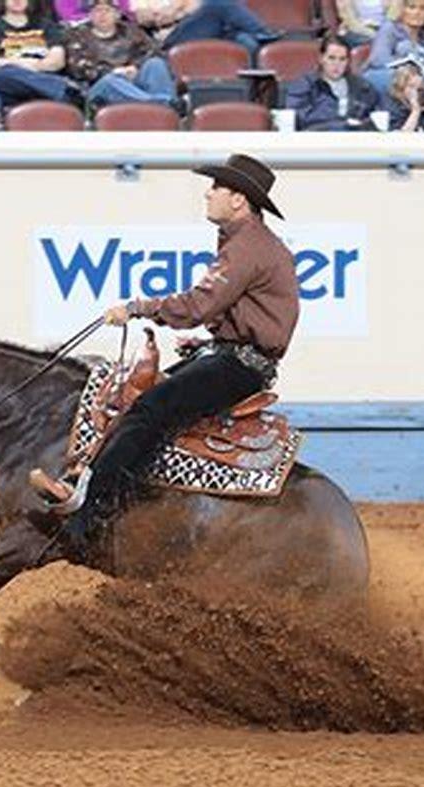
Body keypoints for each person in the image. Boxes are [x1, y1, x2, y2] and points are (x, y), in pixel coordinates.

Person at [32, 153, 300, 559]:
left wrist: (139, 308)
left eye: (216, 188)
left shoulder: (247, 247)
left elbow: (197, 305)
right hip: (235, 357)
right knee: (143, 397)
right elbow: (228, 311)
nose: (208, 194)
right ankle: (107, 487)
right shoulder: (249, 242)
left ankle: (93, 514)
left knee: (149, 408)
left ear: (239, 200)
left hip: (239, 366)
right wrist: (213, 342)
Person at [63, 0, 177, 109]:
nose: (102, 15)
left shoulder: (131, 30)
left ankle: (164, 105)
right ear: (90, 15)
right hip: (101, 86)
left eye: (107, 10)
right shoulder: (77, 35)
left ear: (117, 14)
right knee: (110, 81)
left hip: (133, 80)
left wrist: (135, 67)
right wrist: (114, 72)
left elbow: (155, 52)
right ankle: (165, 104)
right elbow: (78, 69)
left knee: (155, 64)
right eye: (97, 11)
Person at [0, 0, 81, 108]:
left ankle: (56, 90)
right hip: (9, 85)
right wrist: (23, 64)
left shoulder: (46, 25)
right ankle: (65, 90)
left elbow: (58, 61)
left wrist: (32, 68)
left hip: (42, 78)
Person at [363, 0, 424, 114]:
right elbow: (378, 59)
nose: (417, 13)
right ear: (402, 10)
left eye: (423, 8)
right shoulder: (390, 28)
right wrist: (411, 71)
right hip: (381, 75)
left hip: (415, 81)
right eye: (412, 7)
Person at [285, 34, 379, 131]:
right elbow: (300, 118)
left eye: (342, 59)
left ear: (348, 61)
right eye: (331, 58)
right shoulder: (304, 85)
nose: (336, 64)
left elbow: (377, 117)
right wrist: (342, 123)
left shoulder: (363, 87)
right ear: (321, 58)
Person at [134, 0, 276, 57]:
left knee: (246, 41)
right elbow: (141, 17)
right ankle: (265, 33)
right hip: (170, 37)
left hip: (200, 25)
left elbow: (194, 4)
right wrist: (178, 11)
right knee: (220, 3)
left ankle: (250, 99)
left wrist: (180, 9)